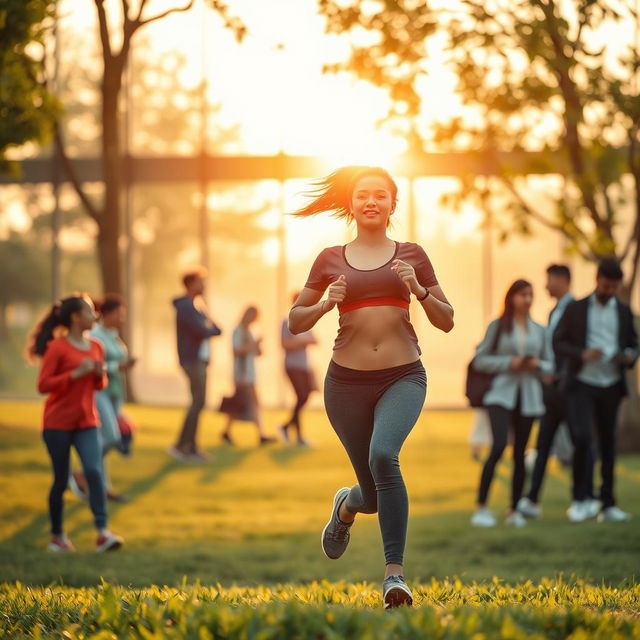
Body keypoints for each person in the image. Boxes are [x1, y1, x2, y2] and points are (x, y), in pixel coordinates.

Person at [288, 166, 454, 609]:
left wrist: (418, 289)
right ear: (352, 203)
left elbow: (447, 319)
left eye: (381, 195)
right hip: (345, 386)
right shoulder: (329, 259)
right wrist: (326, 303)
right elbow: (294, 321)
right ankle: (346, 506)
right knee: (373, 495)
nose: (371, 202)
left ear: (391, 204)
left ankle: (394, 577)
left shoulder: (412, 254)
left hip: (403, 376)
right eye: (363, 195)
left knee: (384, 456)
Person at [26, 294, 124, 552]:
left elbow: (98, 385)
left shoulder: (96, 347)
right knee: (60, 480)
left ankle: (103, 533)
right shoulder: (57, 348)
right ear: (75, 317)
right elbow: (43, 385)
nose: (95, 317)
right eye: (91, 312)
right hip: (57, 423)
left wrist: (99, 375)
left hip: (87, 420)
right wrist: (75, 373)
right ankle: (57, 536)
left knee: (93, 471)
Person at [553, 258, 638, 523]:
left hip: (611, 384)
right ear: (597, 279)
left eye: (614, 287)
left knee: (608, 443)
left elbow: (634, 345)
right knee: (582, 438)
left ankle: (608, 504)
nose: (609, 291)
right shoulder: (576, 309)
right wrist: (583, 353)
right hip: (582, 383)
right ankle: (580, 500)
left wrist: (627, 356)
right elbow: (558, 343)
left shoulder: (624, 311)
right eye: (606, 285)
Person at [471, 280, 553, 528]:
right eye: (522, 295)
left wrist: (537, 365)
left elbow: (552, 365)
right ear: (511, 298)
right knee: (497, 446)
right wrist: (509, 363)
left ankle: (514, 509)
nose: (527, 300)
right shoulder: (497, 326)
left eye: (530, 295)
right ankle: (481, 507)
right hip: (500, 395)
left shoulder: (539, 330)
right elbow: (480, 360)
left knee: (520, 453)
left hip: (528, 397)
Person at [518, 264, 581, 519]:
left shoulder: (576, 311)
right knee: (543, 444)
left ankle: (582, 498)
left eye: (549, 281)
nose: (545, 286)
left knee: (579, 444)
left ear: (562, 279)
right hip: (553, 390)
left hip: (570, 390)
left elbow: (573, 349)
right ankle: (532, 499)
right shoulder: (555, 311)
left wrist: (558, 374)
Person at [70, 293, 135, 502]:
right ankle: (82, 473)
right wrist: (118, 366)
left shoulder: (114, 335)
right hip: (100, 392)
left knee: (102, 438)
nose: (122, 317)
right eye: (119, 313)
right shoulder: (96, 336)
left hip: (115, 392)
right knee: (112, 438)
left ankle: (102, 487)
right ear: (107, 313)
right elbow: (93, 364)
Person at [169, 268, 222, 462]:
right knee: (198, 401)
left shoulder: (198, 306)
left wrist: (206, 327)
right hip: (192, 360)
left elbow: (217, 329)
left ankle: (189, 446)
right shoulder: (185, 307)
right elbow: (201, 330)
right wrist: (206, 327)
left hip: (200, 360)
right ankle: (183, 446)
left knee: (199, 402)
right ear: (191, 283)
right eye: (201, 281)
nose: (204, 285)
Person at [220, 305, 277, 446]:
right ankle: (261, 435)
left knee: (239, 404)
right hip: (241, 374)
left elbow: (257, 354)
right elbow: (237, 351)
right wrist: (253, 344)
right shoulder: (238, 331)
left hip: (250, 374)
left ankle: (226, 431)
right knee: (253, 403)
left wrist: (258, 346)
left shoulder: (251, 332)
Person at [280, 292, 318, 446]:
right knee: (301, 396)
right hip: (292, 365)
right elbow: (285, 344)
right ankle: (298, 436)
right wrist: (303, 342)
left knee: (305, 396)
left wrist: (303, 341)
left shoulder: (308, 321)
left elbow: (315, 340)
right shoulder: (287, 321)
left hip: (304, 366)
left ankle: (286, 427)